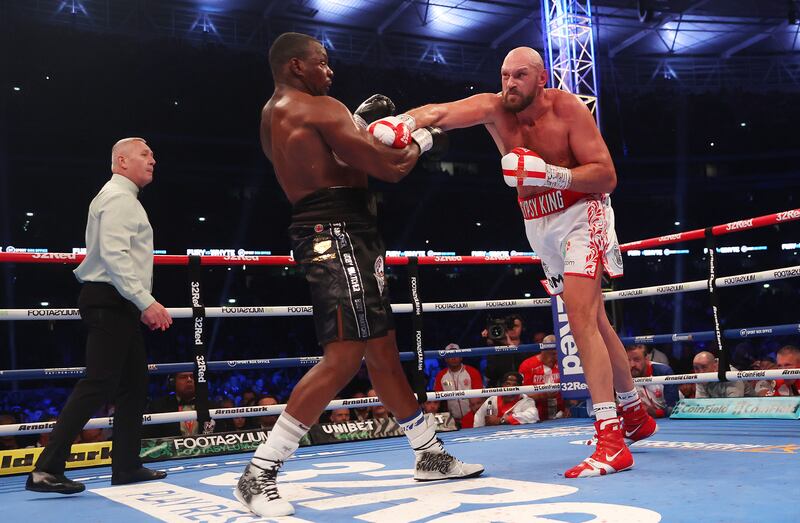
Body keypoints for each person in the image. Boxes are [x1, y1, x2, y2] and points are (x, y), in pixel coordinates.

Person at [234, 32, 482, 518]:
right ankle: (258, 473)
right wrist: (424, 136)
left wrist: (360, 128)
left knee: (382, 351)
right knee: (345, 355)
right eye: (320, 63)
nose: (329, 72)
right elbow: (390, 167)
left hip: (338, 227)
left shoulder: (272, 114)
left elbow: (331, 164)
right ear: (295, 67)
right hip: (337, 231)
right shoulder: (320, 108)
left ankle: (428, 453)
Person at [402, 46, 657, 478]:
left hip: (583, 213)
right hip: (539, 225)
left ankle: (612, 439)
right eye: (504, 75)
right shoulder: (495, 109)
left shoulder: (568, 108)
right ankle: (633, 413)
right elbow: (439, 113)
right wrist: (401, 122)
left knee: (579, 317)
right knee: (594, 320)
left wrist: (553, 174)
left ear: (541, 78)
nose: (509, 84)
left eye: (519, 75)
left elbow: (607, 175)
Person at [26, 137, 171, 495]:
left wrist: (137, 301)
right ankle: (46, 469)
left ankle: (125, 465)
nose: (153, 160)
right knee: (98, 384)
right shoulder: (119, 198)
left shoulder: (124, 198)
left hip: (118, 300)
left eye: (152, 154)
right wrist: (145, 301)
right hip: (110, 298)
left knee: (134, 386)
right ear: (121, 161)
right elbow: (115, 257)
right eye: (144, 154)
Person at [519, 334, 568, 420]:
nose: (555, 357)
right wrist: (543, 395)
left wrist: (569, 406)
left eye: (556, 353)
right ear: (543, 351)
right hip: (536, 415)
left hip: (562, 413)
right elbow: (523, 396)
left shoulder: (564, 363)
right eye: (552, 354)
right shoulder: (528, 365)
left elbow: (573, 387)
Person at [433, 344, 484, 421]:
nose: (453, 358)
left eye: (456, 354)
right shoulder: (440, 376)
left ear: (461, 357)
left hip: (473, 416)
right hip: (451, 419)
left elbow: (479, 397)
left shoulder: (472, 372)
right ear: (445, 359)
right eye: (450, 355)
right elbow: (437, 400)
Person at [627, 345, 678, 418]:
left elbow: (673, 409)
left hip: (668, 421)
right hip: (643, 420)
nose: (632, 365)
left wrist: (655, 413)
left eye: (637, 360)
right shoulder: (623, 375)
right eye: (628, 360)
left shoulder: (663, 372)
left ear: (647, 359)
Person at [472, 372, 539, 427]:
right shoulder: (492, 399)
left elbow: (533, 415)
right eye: (508, 384)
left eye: (514, 385)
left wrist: (502, 420)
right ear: (502, 385)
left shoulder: (525, 400)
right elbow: (478, 418)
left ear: (520, 387)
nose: (510, 387)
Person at [144, 372, 199, 438]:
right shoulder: (158, 407)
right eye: (183, 377)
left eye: (192, 377)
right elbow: (149, 438)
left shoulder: (211, 406)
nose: (189, 380)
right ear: (173, 382)